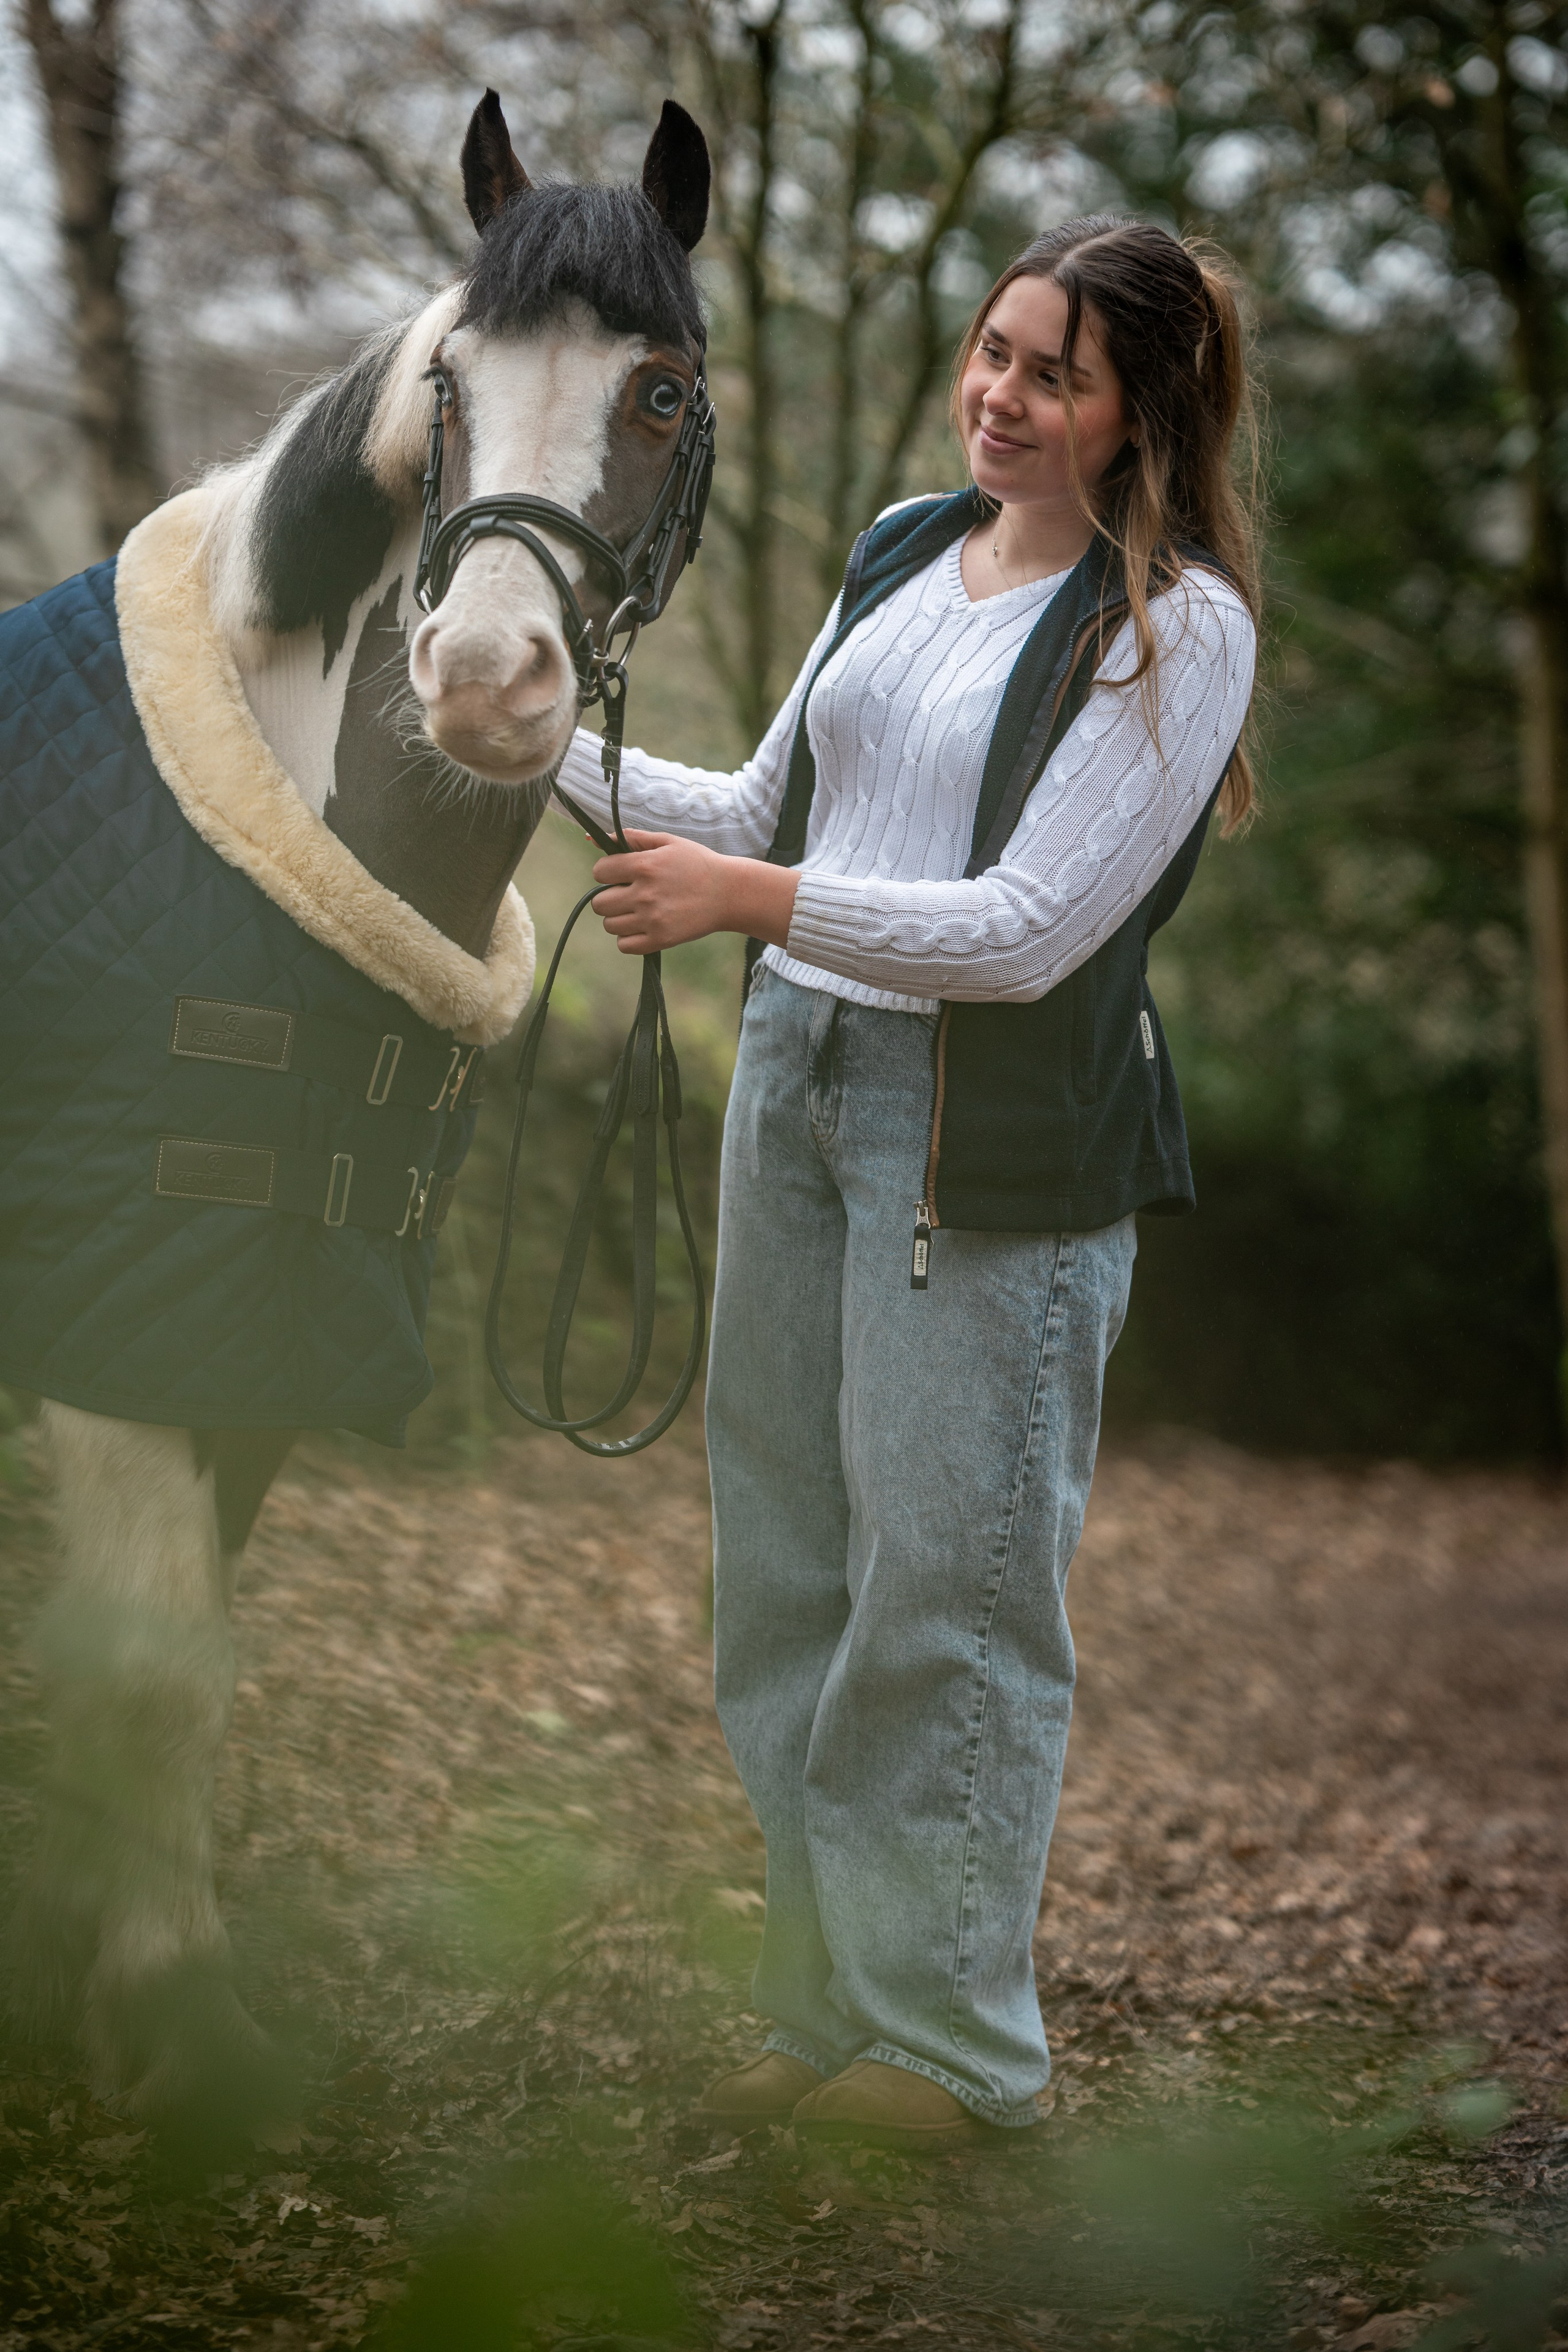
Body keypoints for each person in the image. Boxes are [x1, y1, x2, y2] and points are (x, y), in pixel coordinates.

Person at [551, 214, 1261, 2150]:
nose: (1001, 397)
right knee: (786, 1570)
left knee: (949, 1589)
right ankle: (825, 2000)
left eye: (1058, 376)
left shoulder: (1176, 627)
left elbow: (1023, 930)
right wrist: (535, 736)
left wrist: (748, 901)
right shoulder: (895, 551)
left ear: (1143, 415)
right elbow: (756, 813)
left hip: (986, 1136)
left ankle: (950, 2047)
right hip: (796, 1075)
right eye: (993, 350)